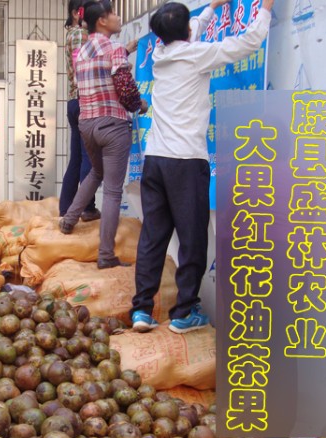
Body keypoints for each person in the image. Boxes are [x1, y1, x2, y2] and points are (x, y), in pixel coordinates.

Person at [130, 0, 274, 333]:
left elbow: (190, 32)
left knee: (153, 236)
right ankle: (183, 313)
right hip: (185, 161)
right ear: (184, 30)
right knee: (193, 237)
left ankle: (141, 310)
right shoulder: (198, 55)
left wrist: (210, 8)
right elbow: (248, 42)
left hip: (156, 159)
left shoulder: (160, 56)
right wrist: (265, 7)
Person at [58, 0, 147, 270]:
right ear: (102, 21)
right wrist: (138, 104)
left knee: (95, 172)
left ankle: (68, 220)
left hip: (88, 123)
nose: (118, 17)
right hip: (113, 125)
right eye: (113, 13)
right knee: (111, 192)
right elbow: (124, 86)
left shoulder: (82, 51)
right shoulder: (113, 48)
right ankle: (106, 255)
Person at [59, 0, 100, 222]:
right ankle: (86, 208)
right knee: (88, 158)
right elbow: (81, 71)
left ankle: (67, 208)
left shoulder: (75, 34)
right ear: (77, 14)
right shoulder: (79, 35)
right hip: (83, 100)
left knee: (77, 158)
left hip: (75, 101)